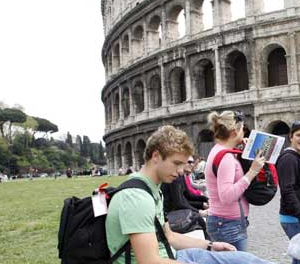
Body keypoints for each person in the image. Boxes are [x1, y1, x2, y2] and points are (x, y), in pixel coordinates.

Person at [105, 125, 273, 264]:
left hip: (174, 256)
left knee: (248, 260)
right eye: (176, 163)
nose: (180, 171)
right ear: (156, 156)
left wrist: (211, 245)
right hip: (166, 260)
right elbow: (150, 261)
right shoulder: (136, 198)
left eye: (183, 164)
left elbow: (169, 236)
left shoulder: (152, 190)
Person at [204, 111, 266, 252]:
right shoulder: (226, 157)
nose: (244, 132)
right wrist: (252, 172)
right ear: (234, 132)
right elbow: (226, 196)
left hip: (225, 222)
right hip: (228, 224)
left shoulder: (220, 151)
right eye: (242, 129)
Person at [275, 121, 300, 264]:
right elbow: (287, 190)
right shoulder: (288, 159)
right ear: (290, 137)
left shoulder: (299, 157)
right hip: (295, 218)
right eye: (298, 135)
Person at [162, 155, 210, 239]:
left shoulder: (181, 177)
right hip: (171, 215)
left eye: (192, 162)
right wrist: (198, 211)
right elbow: (179, 203)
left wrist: (204, 201)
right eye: (189, 162)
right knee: (200, 220)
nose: (192, 164)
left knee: (202, 220)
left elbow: (188, 196)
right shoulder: (175, 178)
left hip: (177, 212)